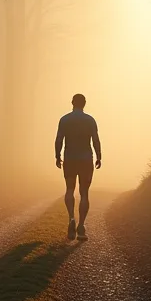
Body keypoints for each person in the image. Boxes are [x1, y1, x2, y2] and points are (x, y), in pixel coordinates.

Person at [55, 93, 101, 240]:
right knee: (84, 193)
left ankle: (71, 218)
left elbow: (59, 140)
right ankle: (81, 226)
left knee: (69, 189)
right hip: (86, 160)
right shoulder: (90, 120)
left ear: (72, 103)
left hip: (70, 159)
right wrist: (99, 156)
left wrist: (57, 156)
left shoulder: (64, 120)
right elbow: (95, 140)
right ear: (84, 104)